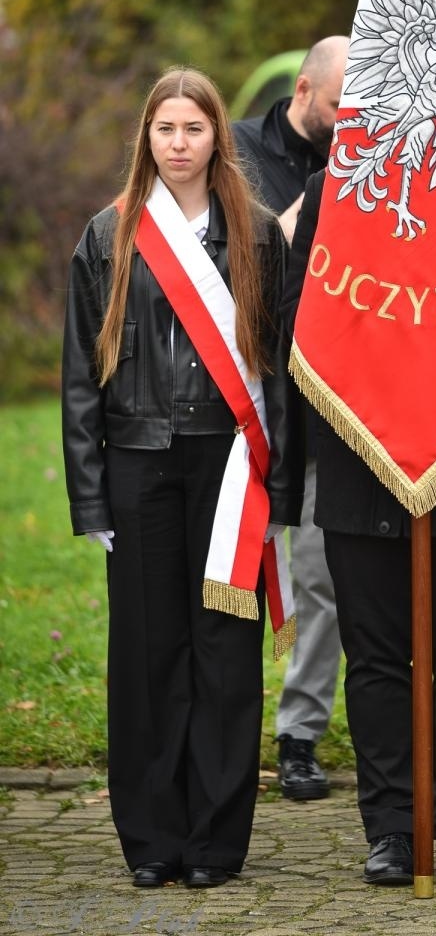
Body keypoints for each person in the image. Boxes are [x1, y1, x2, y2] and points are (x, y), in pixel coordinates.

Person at [61, 67, 304, 888]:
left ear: (216, 137)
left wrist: (282, 489)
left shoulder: (258, 235)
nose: (178, 144)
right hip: (138, 464)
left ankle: (214, 843)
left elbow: (281, 370)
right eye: (164, 129)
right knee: (147, 652)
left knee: (224, 654)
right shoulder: (108, 234)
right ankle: (152, 840)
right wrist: (90, 494)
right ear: (147, 137)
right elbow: (79, 375)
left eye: (193, 129)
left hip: (230, 467)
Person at [282, 168, 436, 886]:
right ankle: (390, 825)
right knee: (377, 660)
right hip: (363, 460)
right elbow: (299, 317)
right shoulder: (337, 187)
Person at [234, 35, 349, 801]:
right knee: (230, 578)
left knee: (322, 582)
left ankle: (299, 732)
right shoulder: (235, 151)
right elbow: (222, 265)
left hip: (319, 410)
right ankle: (221, 732)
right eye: (340, 106)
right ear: (303, 90)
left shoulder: (366, 160)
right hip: (240, 403)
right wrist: (303, 211)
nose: (351, 122)